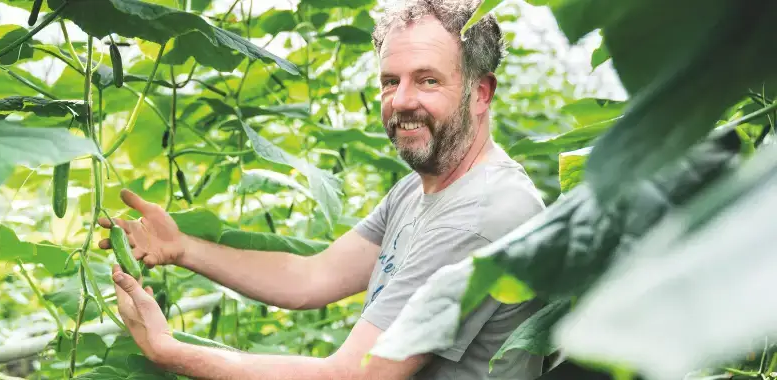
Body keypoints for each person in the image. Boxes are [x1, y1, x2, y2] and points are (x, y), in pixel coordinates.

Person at [97, 0, 546, 378]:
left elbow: (351, 375)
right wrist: (183, 248)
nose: (403, 100)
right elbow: (311, 278)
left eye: (428, 80)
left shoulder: (482, 214)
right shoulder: (417, 191)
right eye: (391, 81)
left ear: (481, 92)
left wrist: (167, 350)